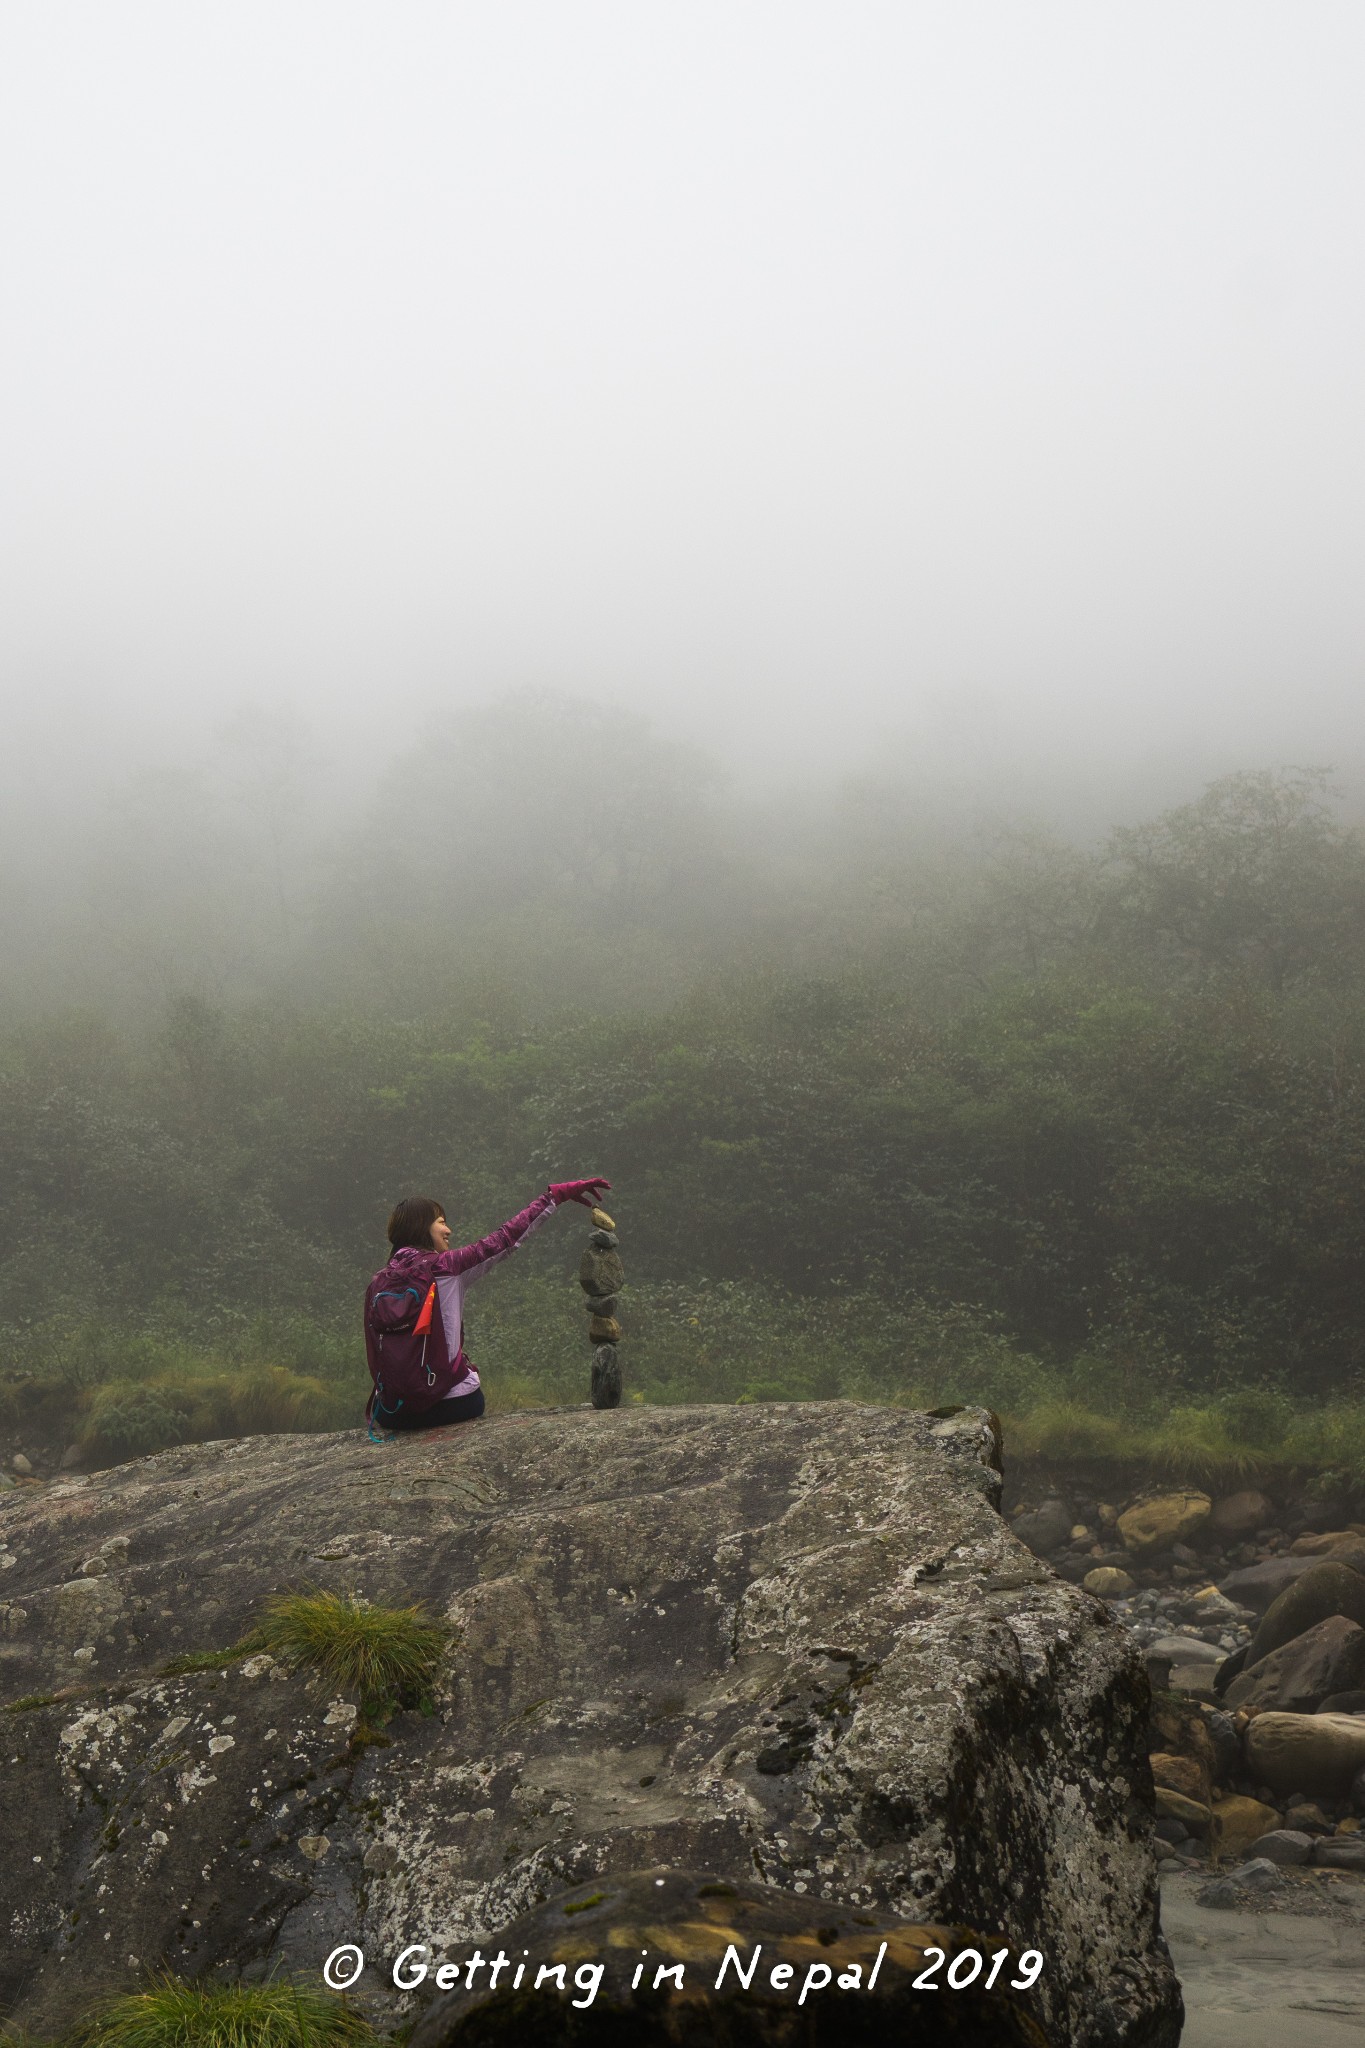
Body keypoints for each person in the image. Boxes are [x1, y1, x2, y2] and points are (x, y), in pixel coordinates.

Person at [363, 1179, 610, 1434]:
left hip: (394, 1414)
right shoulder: (447, 1267)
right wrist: (554, 1197)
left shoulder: (378, 1282)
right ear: (422, 1227)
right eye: (441, 1222)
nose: (448, 1230)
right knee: (472, 1393)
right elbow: (505, 1239)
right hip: (448, 1406)